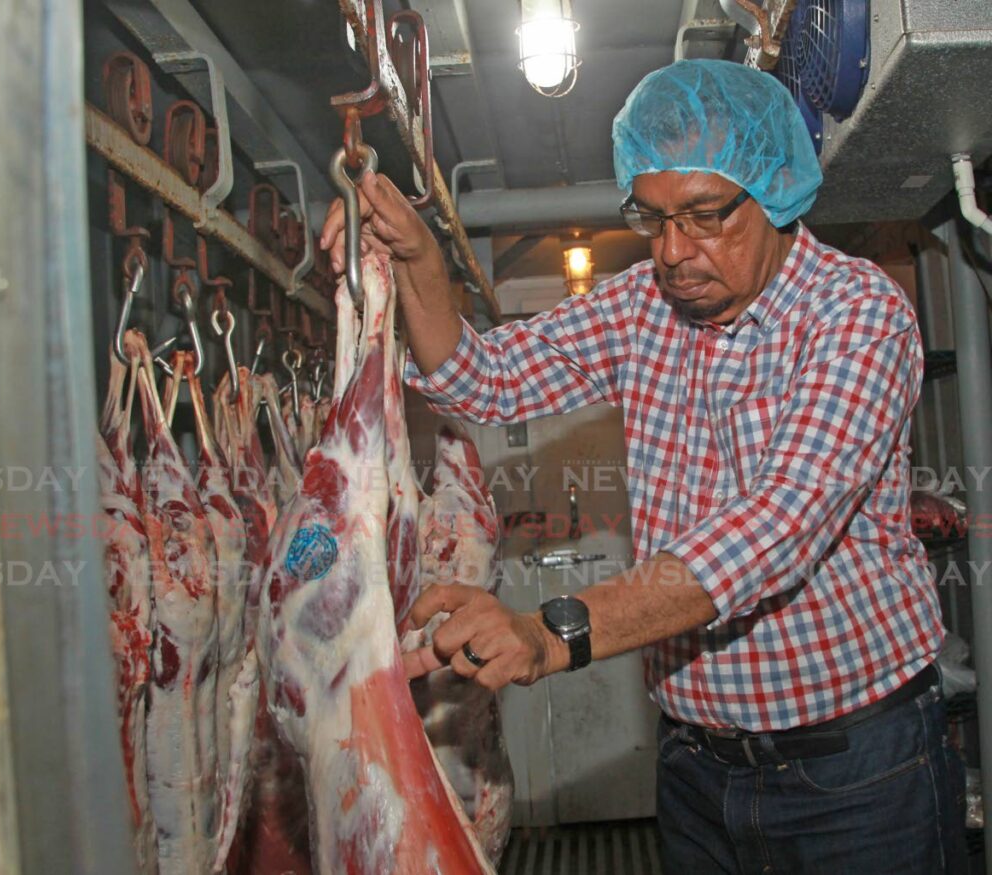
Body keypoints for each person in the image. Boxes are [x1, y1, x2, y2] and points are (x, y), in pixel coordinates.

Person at [321, 59, 965, 874]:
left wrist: (549, 633)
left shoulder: (859, 315)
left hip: (857, 773)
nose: (671, 250)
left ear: (772, 194)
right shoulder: (641, 308)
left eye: (702, 215)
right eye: (651, 217)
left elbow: (776, 531)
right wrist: (418, 261)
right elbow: (479, 379)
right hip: (697, 769)